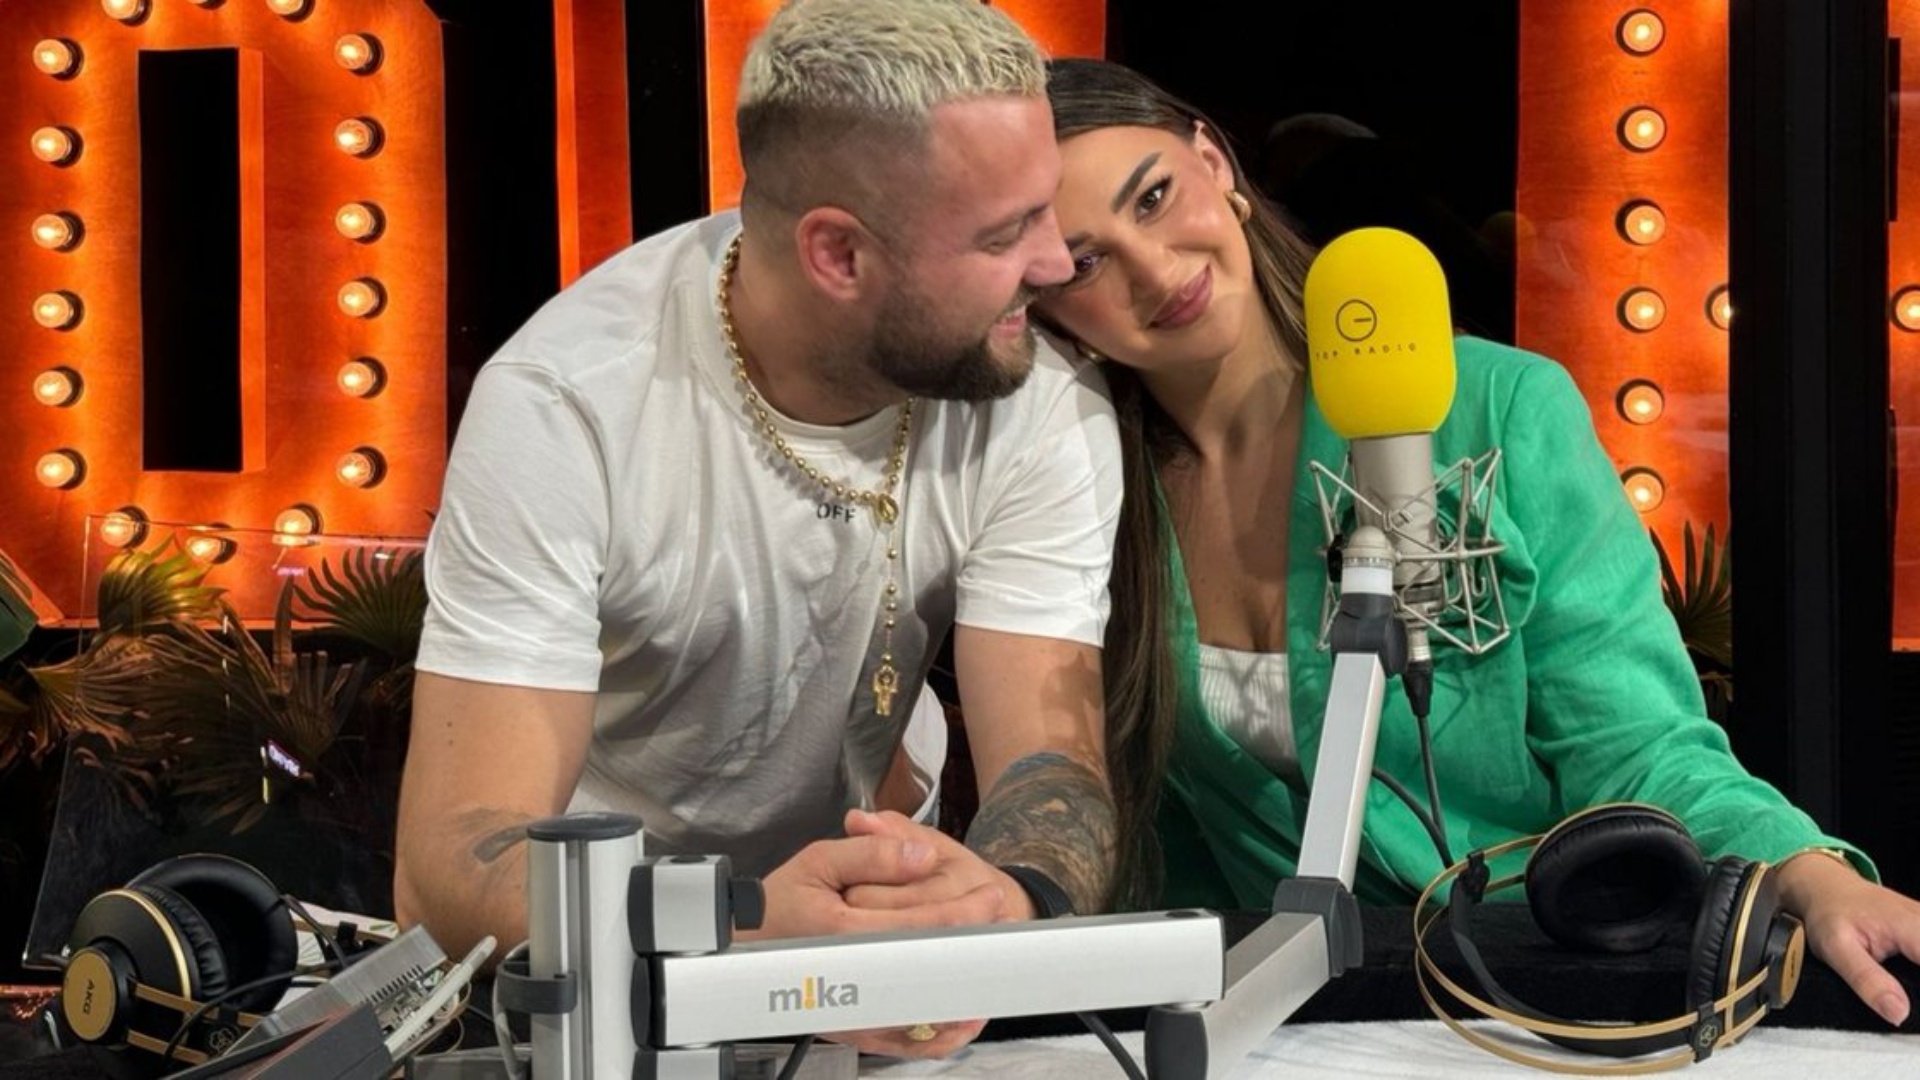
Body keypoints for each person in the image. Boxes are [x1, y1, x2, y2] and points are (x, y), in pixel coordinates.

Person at [1029, 56, 1920, 1028]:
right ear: (1041, 299)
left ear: (1214, 163)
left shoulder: (1499, 409)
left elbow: (1634, 744)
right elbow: (1161, 839)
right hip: (1284, 1023)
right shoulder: (1084, 495)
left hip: (1536, 997)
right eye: (1085, 260)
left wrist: (1806, 872)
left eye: (1154, 197)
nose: (1155, 269)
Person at [393, 1, 1123, 1057]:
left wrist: (1001, 909)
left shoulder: (1035, 398)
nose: (1055, 264)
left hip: (868, 944)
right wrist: (742, 934)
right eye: (1005, 233)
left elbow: (1052, 768)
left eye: (1044, 209)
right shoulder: (569, 402)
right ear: (838, 254)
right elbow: (451, 865)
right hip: (605, 971)